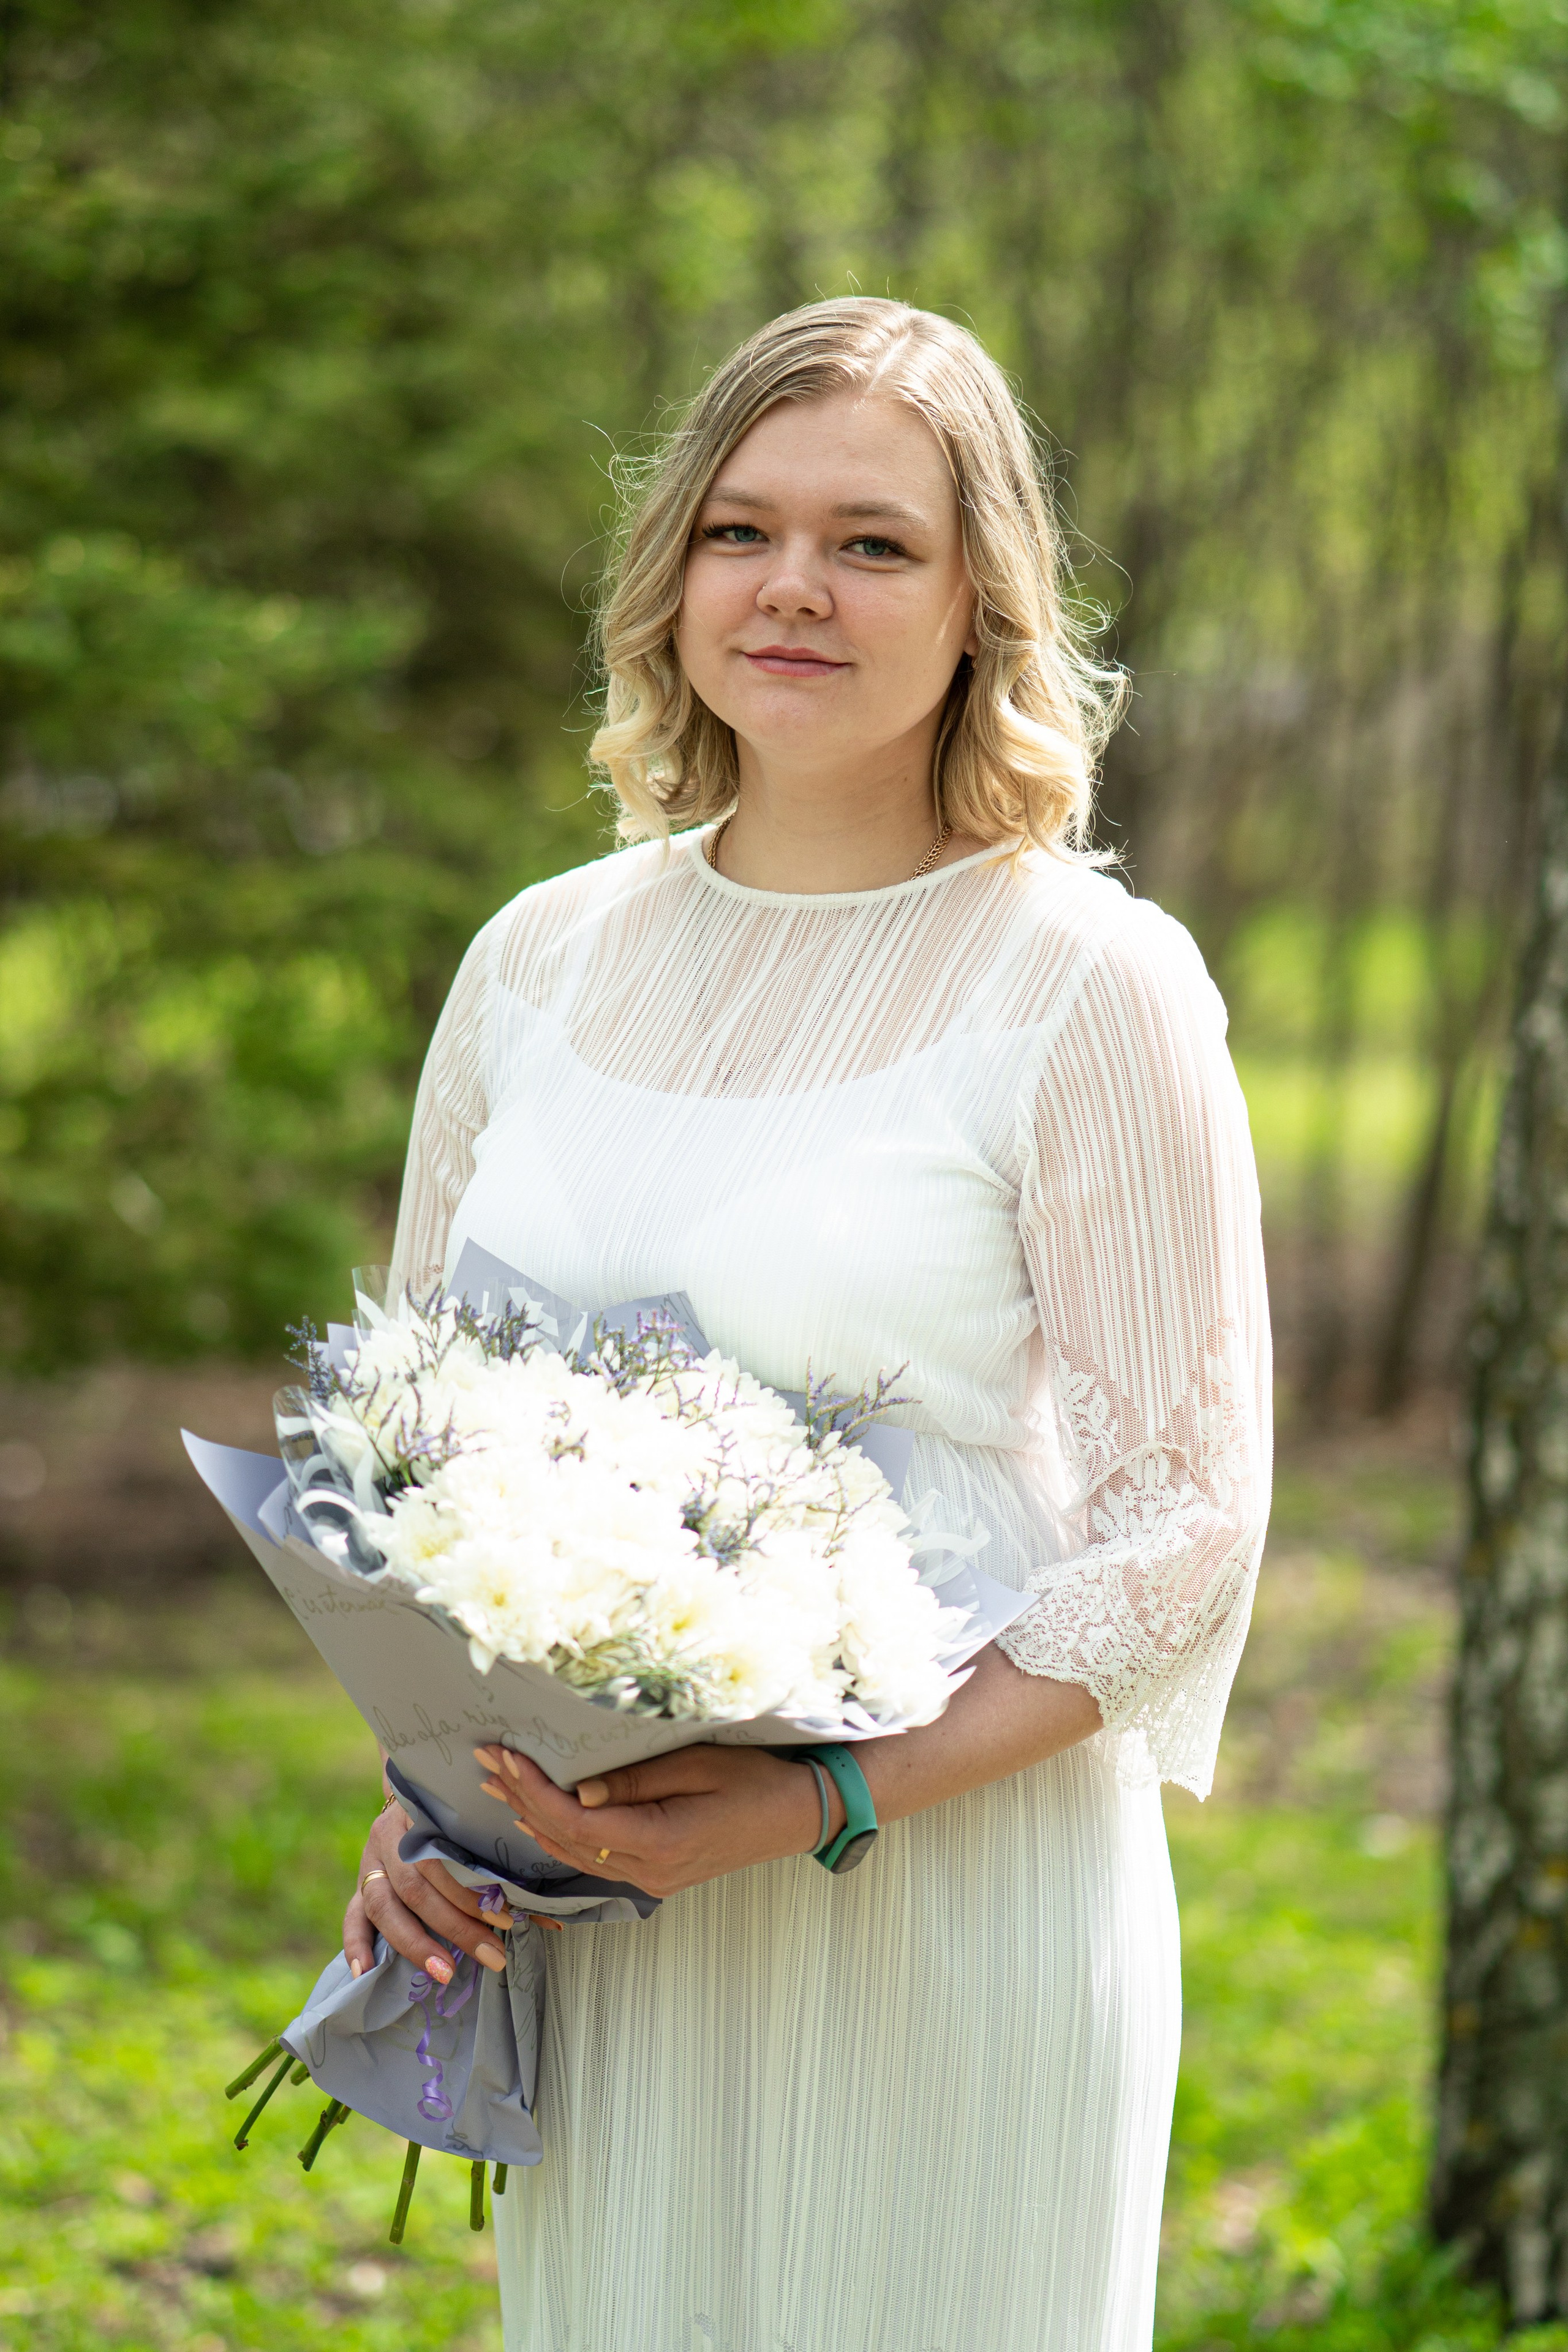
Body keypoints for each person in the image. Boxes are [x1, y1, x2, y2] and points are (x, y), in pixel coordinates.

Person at [342, 297, 1271, 2352]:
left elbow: (1189, 1529)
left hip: (936, 1885)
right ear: (670, 570)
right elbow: (407, 1445)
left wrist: (814, 1801)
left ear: (982, 608)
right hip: (593, 1898)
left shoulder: (1087, 981)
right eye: (743, 528)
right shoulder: (538, 962)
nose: (793, 588)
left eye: (874, 543)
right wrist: (431, 1808)